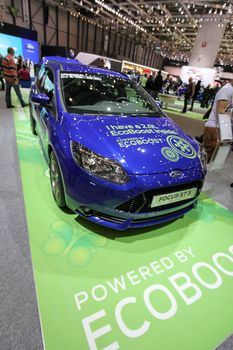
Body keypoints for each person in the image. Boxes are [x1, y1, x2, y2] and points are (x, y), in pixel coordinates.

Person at [203, 79, 233, 163]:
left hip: (220, 128)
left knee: (210, 159)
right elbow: (221, 111)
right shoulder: (227, 90)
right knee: (205, 158)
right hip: (215, 128)